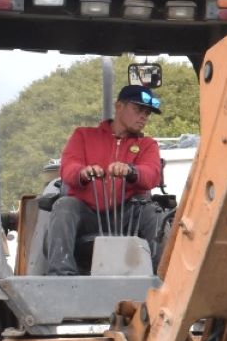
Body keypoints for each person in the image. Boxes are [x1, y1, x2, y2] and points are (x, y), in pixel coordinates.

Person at [47, 84, 167, 276]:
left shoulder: (147, 145)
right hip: (87, 214)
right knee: (64, 205)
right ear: (119, 106)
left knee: (154, 212)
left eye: (147, 113)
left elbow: (152, 174)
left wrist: (131, 171)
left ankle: (162, 277)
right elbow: (68, 167)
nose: (143, 116)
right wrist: (83, 172)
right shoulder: (83, 135)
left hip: (127, 215)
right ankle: (61, 275)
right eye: (138, 110)